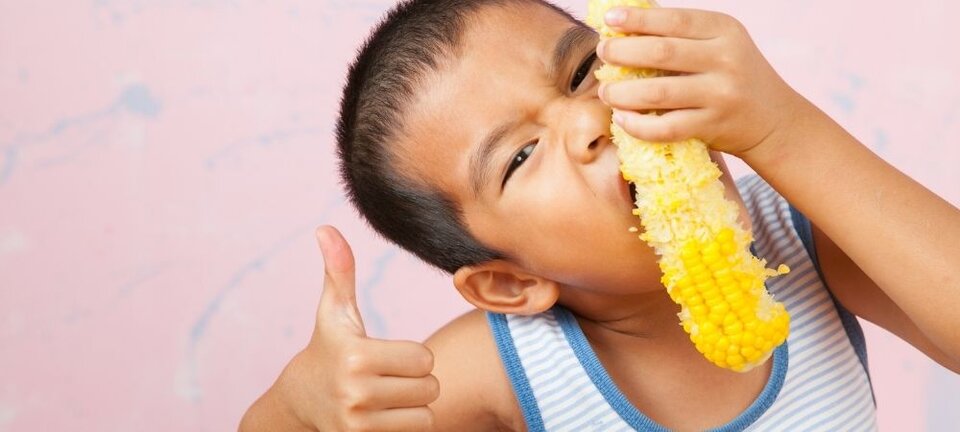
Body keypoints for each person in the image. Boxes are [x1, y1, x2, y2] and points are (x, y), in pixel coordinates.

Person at [239, 0, 960, 430]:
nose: (589, 119)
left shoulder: (801, 239)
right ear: (509, 284)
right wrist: (296, 409)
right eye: (520, 157)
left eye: (583, 71)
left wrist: (786, 132)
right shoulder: (500, 366)